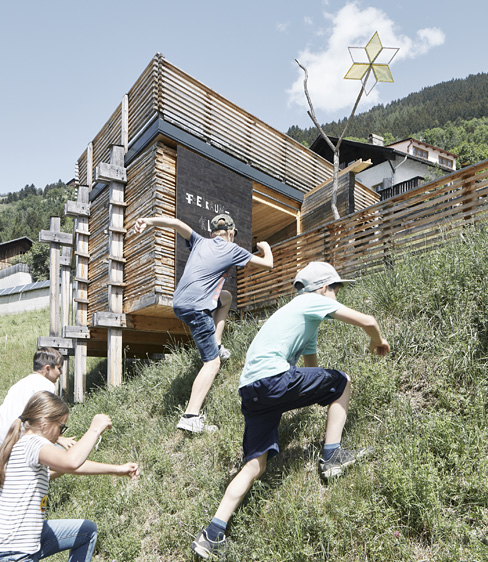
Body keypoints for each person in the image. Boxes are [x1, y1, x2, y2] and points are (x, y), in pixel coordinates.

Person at [191, 261, 390, 558]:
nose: (337, 296)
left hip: (251, 390)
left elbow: (312, 368)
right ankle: (332, 456)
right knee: (343, 381)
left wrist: (316, 398)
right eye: (336, 290)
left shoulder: (298, 316)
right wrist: (379, 341)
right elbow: (368, 321)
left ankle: (212, 533)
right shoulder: (311, 301)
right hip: (273, 380)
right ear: (323, 288)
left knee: (255, 465)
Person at [134, 213, 273, 433]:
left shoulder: (199, 241)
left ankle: (217, 344)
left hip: (179, 302)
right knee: (212, 363)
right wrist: (266, 248)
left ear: (211, 233)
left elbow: (175, 223)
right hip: (197, 308)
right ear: (231, 233)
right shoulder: (233, 249)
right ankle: (190, 416)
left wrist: (148, 221)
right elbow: (268, 264)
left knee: (225, 298)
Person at [0, 390, 139, 561]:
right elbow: (71, 461)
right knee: (86, 532)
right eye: (61, 427)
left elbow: (73, 466)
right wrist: (95, 429)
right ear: (44, 422)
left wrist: (117, 469)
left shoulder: (25, 444)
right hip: (14, 551)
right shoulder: (33, 443)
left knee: (86, 531)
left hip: (24, 541)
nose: (60, 435)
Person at [0, 349, 74, 449]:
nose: (61, 372)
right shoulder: (46, 385)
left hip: (4, 437)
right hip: (19, 438)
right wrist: (58, 438)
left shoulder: (20, 383)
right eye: (59, 368)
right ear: (47, 368)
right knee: (61, 451)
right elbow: (44, 418)